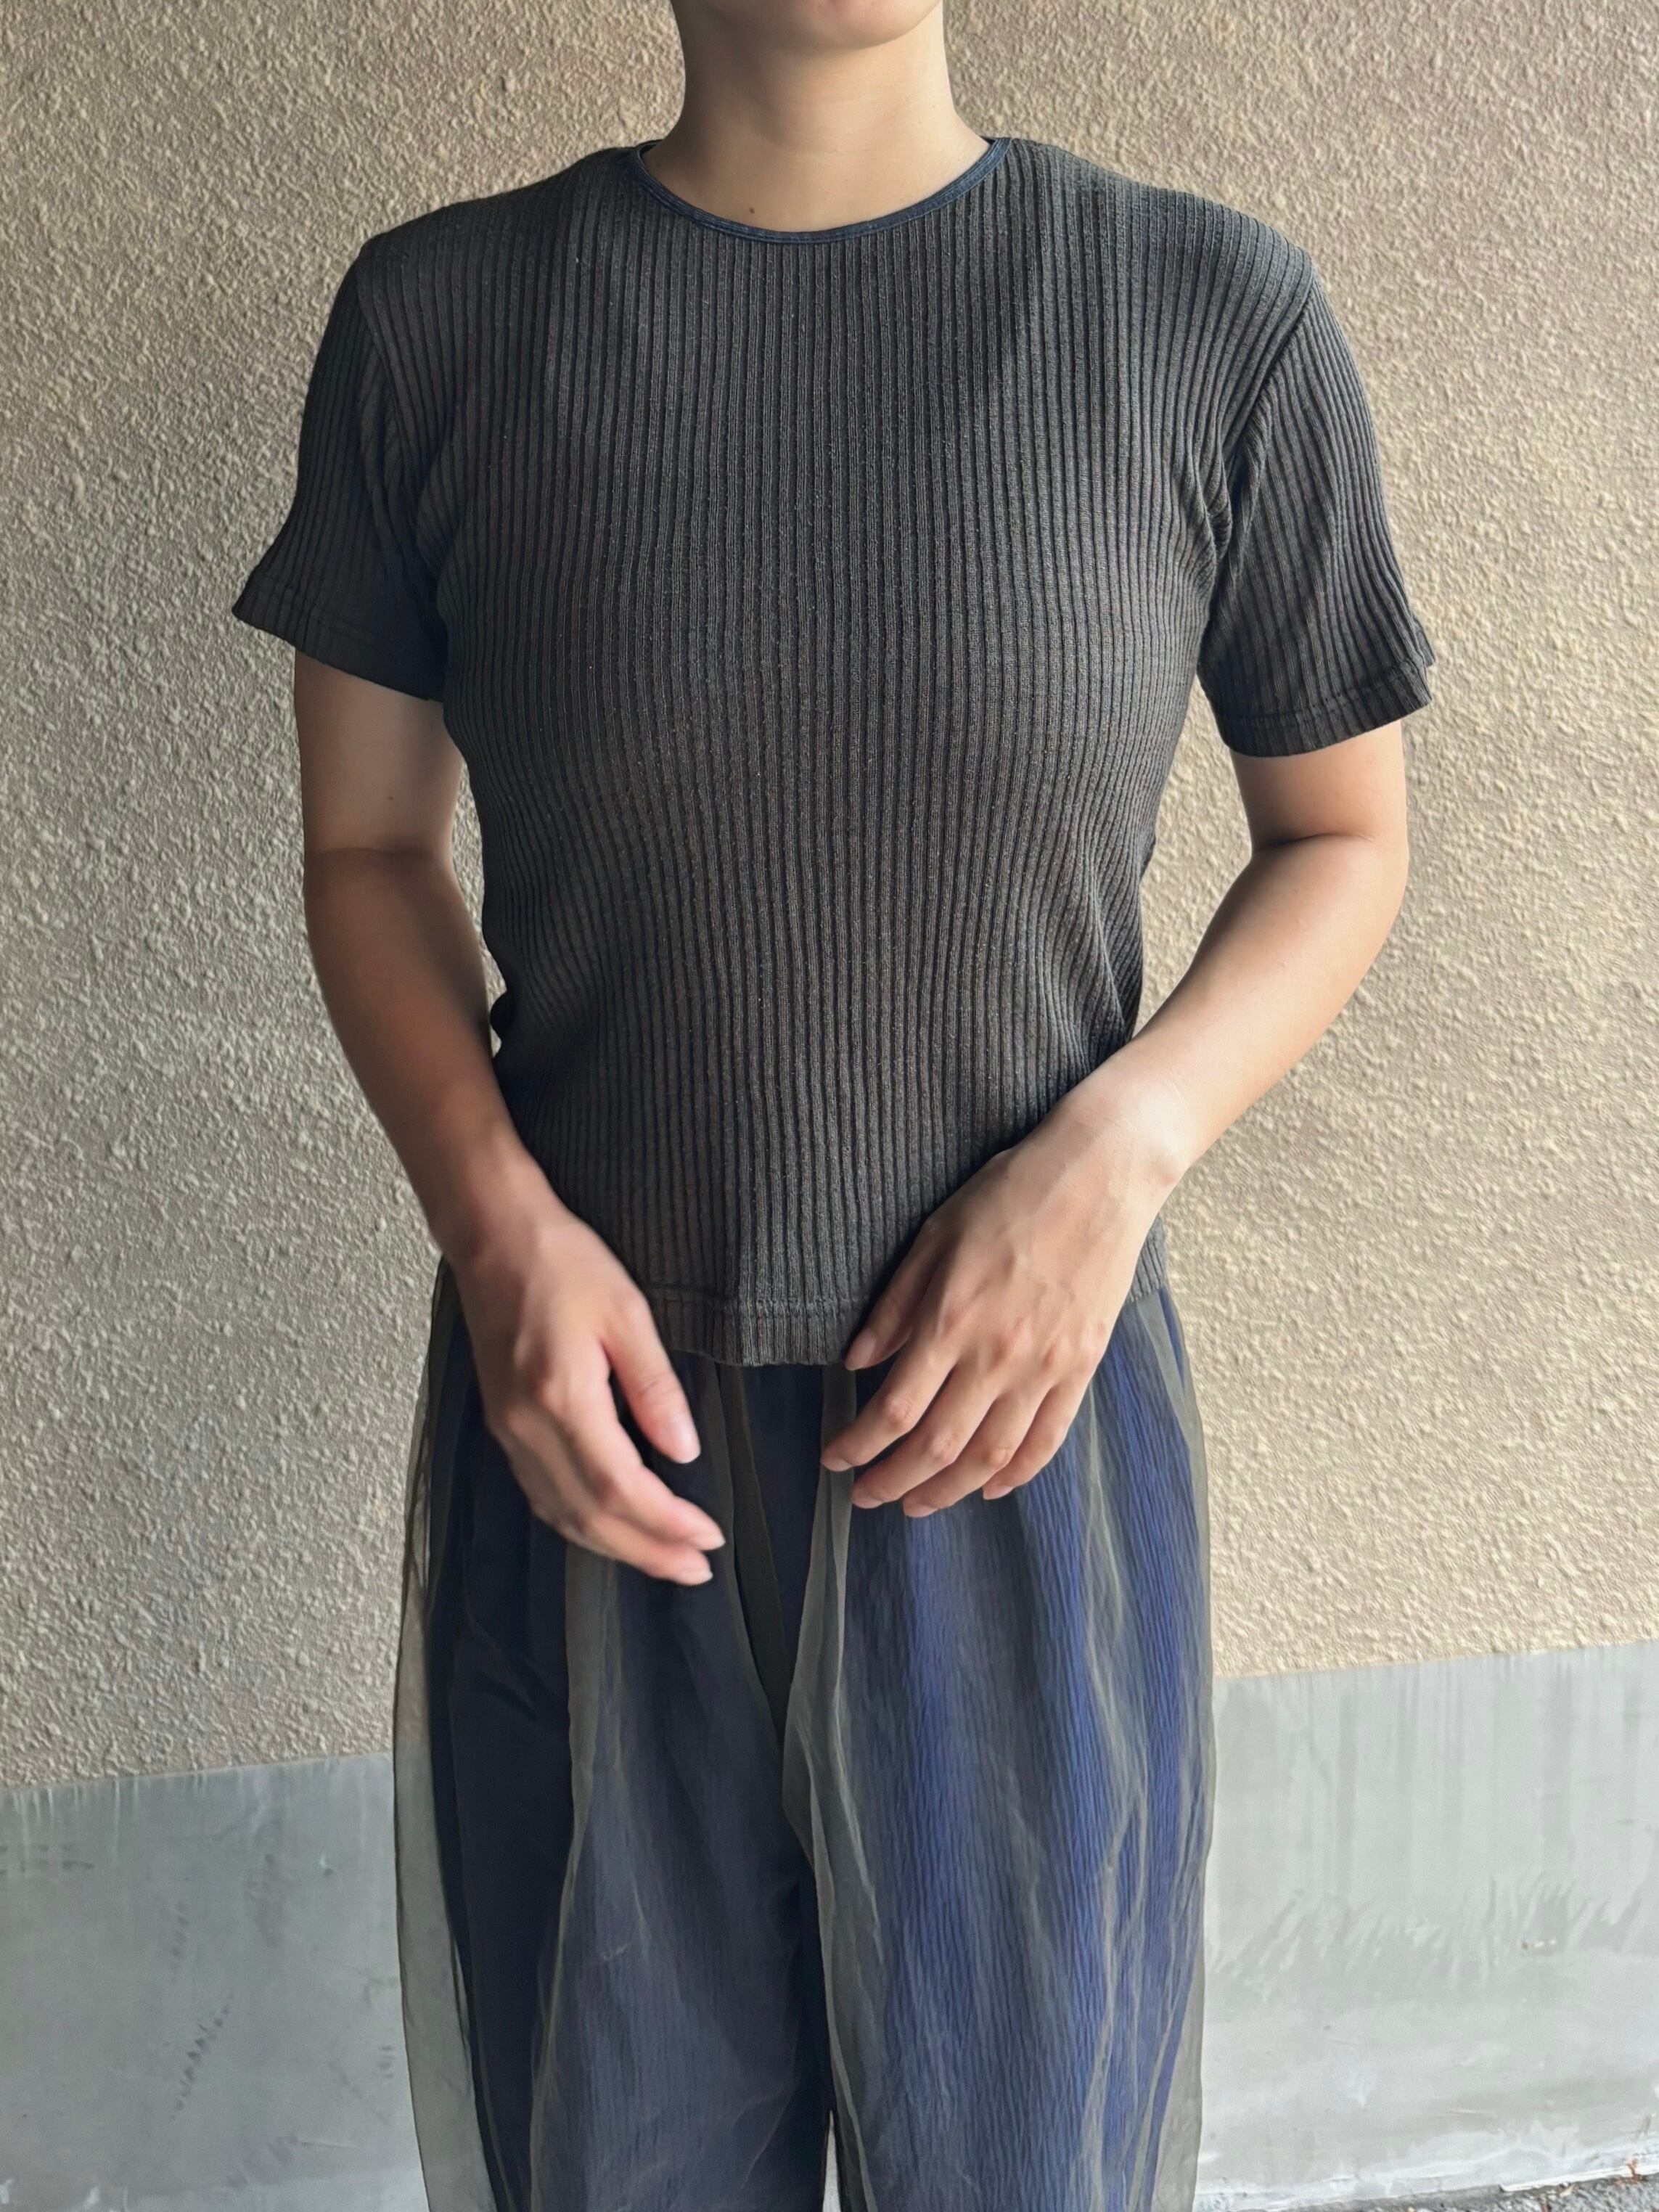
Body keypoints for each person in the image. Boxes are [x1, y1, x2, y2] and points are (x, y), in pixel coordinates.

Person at [229, 4, 1436, 2207]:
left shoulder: (1206, 317)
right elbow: (371, 853)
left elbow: (1342, 833)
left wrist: (1122, 1152)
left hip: (1019, 1434)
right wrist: (494, 1225)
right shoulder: (444, 326)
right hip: (597, 1445)